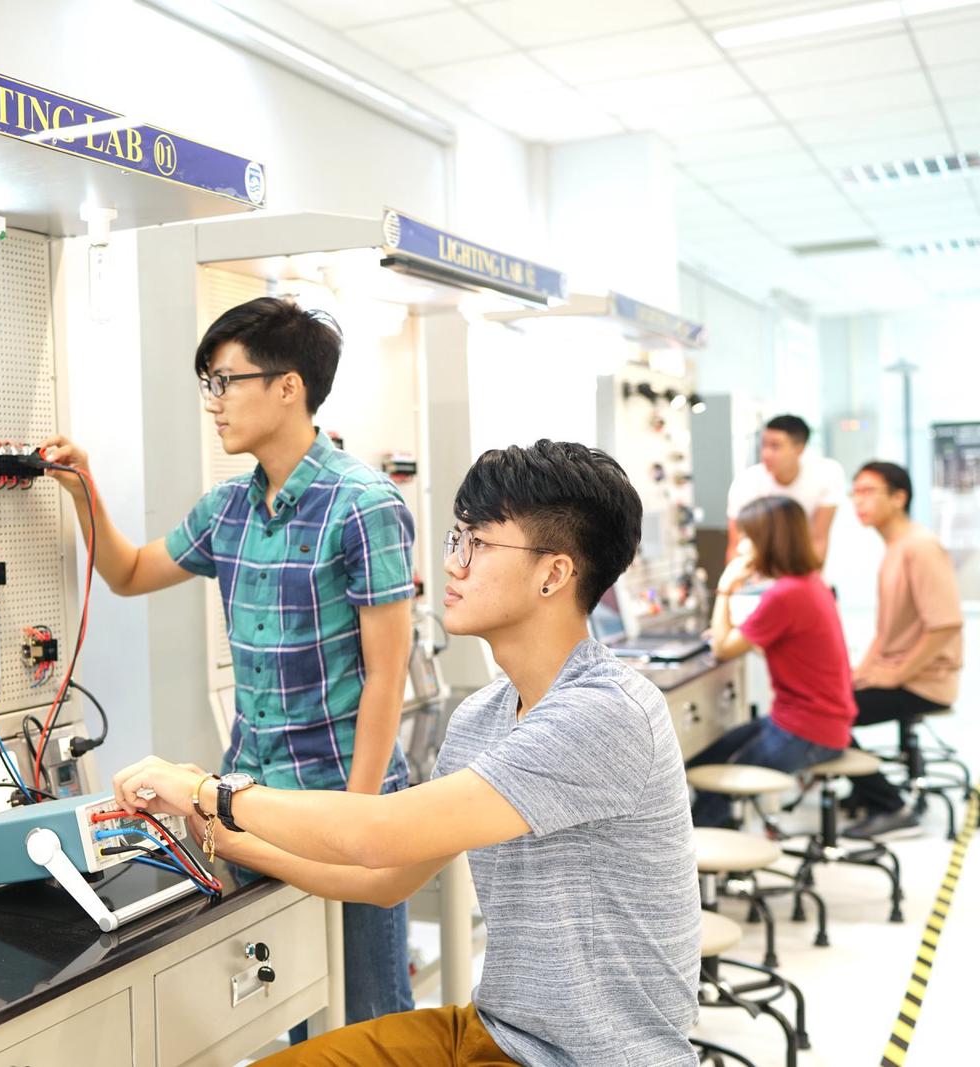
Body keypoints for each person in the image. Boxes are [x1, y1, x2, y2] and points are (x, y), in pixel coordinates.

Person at [112, 441, 700, 1067]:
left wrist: (210, 793)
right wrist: (229, 841)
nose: (452, 564)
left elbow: (378, 836)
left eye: (479, 544)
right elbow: (388, 880)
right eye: (456, 539)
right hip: (495, 1033)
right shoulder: (484, 716)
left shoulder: (606, 712)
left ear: (553, 574)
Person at [39, 297, 417, 1028]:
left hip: (346, 799)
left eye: (225, 381)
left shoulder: (362, 504)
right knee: (294, 1005)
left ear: (288, 386)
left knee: (369, 1018)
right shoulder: (227, 509)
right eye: (207, 384)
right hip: (250, 804)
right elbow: (128, 573)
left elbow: (387, 675)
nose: (212, 402)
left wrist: (361, 818)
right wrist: (83, 487)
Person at [688, 496, 855, 828]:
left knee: (717, 787)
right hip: (819, 723)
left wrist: (726, 588)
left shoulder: (785, 595)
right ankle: (722, 841)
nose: (741, 548)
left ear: (769, 541)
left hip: (806, 730)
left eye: (747, 539)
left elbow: (722, 650)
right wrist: (734, 633)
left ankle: (705, 854)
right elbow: (762, 642)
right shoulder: (808, 584)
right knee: (706, 759)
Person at [842, 461, 964, 839]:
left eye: (868, 491)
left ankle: (890, 805)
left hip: (924, 681)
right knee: (831, 700)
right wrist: (860, 673)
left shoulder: (920, 547)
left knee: (827, 715)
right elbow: (886, 632)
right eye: (855, 492)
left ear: (899, 498)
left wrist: (896, 674)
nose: (858, 501)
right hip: (902, 674)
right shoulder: (895, 548)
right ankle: (865, 789)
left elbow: (945, 625)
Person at [726, 414, 846, 566]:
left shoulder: (826, 475)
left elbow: (819, 539)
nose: (766, 454)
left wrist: (809, 577)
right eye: (764, 445)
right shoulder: (746, 482)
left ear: (799, 449)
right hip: (759, 567)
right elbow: (735, 544)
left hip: (803, 565)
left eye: (775, 446)